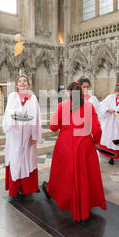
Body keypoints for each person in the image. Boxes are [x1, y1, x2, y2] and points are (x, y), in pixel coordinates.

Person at [42, 82, 106, 223]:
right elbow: (96, 129)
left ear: (69, 93)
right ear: (82, 93)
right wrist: (96, 143)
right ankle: (83, 209)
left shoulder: (62, 106)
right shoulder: (89, 106)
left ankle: (64, 199)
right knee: (83, 176)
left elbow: (53, 127)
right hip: (84, 145)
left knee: (64, 175)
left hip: (65, 145)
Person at [3, 75, 42, 197]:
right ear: (17, 84)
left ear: (28, 84)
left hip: (28, 134)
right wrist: (13, 112)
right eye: (20, 81)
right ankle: (15, 187)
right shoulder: (12, 96)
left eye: (25, 81)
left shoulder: (33, 98)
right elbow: (8, 112)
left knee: (28, 158)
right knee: (15, 158)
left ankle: (27, 187)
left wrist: (34, 136)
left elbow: (37, 117)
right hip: (15, 134)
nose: (22, 83)